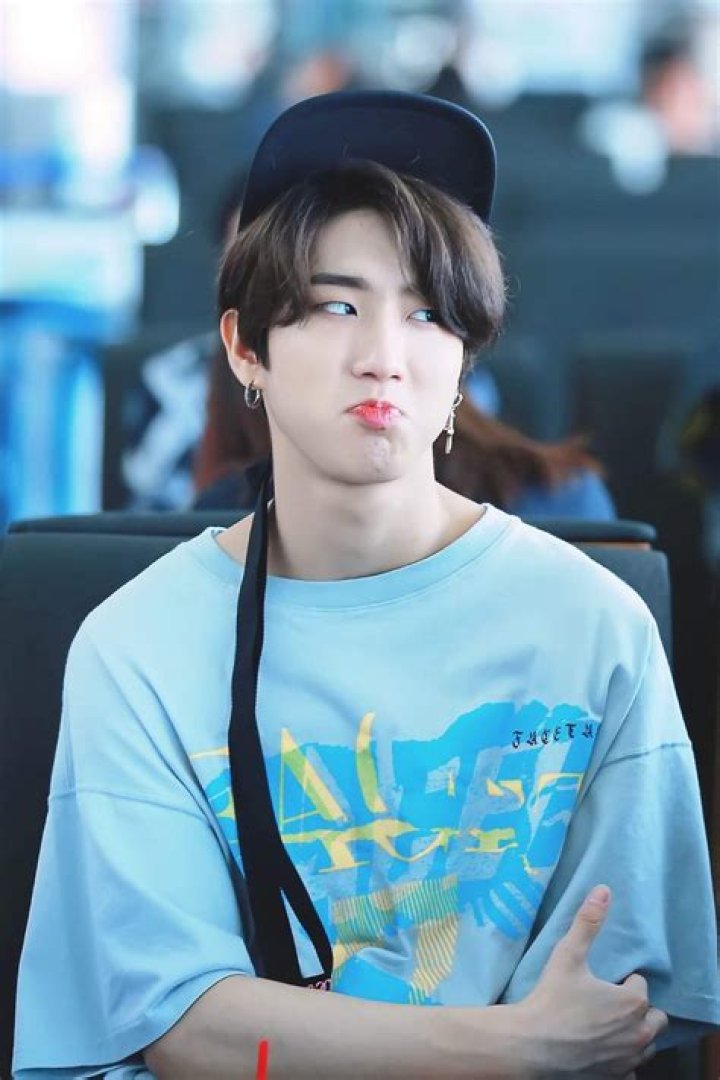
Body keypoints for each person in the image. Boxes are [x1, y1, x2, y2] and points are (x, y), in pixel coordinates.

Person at [14, 91, 718, 1079]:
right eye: (337, 306)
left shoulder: (595, 625)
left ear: (464, 359)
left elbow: (613, 1015)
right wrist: (508, 1049)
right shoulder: (140, 647)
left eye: (427, 314)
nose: (384, 356)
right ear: (245, 348)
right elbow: (175, 1024)